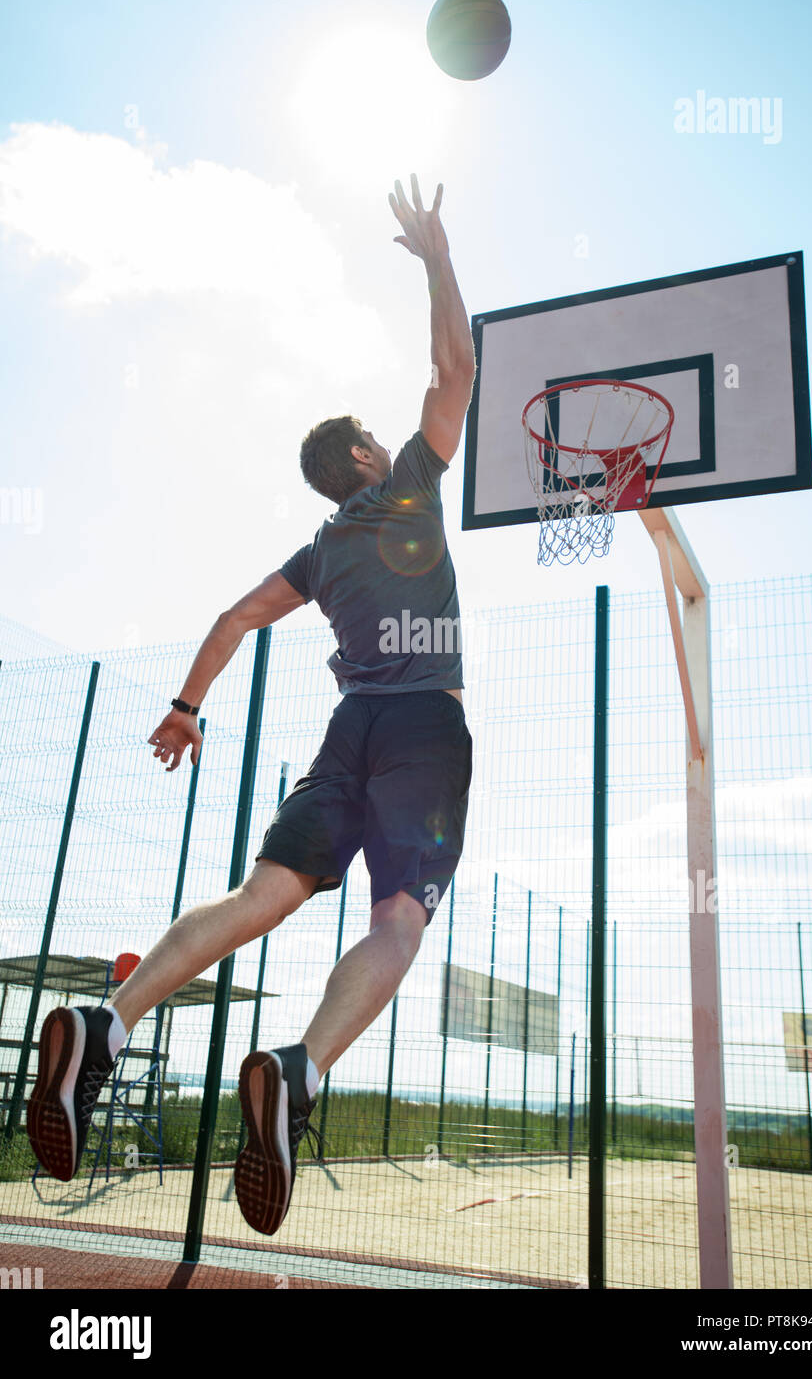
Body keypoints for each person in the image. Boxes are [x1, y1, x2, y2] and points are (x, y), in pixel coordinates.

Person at [26, 176, 476, 1237]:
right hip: (421, 729)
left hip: (343, 736)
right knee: (397, 923)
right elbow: (454, 367)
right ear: (365, 459)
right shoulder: (408, 482)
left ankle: (110, 1018)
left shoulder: (319, 551)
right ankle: (299, 1066)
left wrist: (187, 705)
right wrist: (436, 256)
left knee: (257, 895)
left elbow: (232, 617)